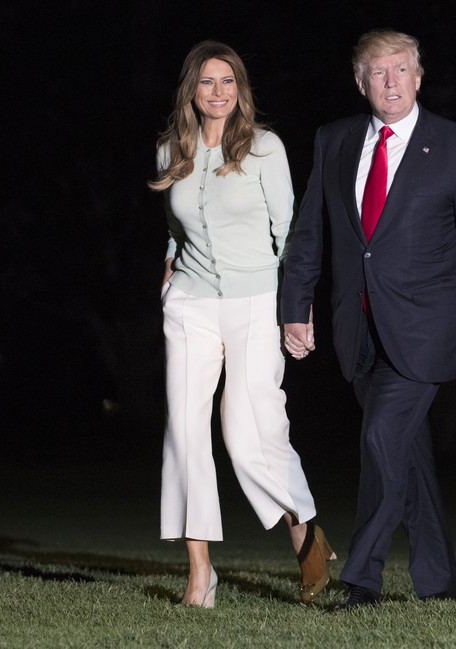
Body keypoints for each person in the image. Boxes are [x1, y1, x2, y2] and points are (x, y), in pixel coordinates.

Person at [281, 29, 456, 609]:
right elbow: (309, 233)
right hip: (357, 330)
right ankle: (437, 581)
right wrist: (295, 308)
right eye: (378, 72)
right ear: (361, 82)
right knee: (405, 453)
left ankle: (362, 578)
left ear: (419, 76)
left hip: (428, 330)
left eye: (401, 70)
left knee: (381, 438)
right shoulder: (334, 141)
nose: (391, 82)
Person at [150, 40, 333, 608]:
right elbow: (177, 228)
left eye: (228, 81)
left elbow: (290, 231)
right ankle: (201, 573)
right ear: (192, 91)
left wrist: (295, 309)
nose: (219, 92)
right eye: (208, 82)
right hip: (190, 305)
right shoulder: (168, 152)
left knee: (249, 432)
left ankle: (306, 532)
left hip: (256, 300)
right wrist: (167, 272)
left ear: (240, 89)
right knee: (185, 431)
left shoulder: (264, 149)